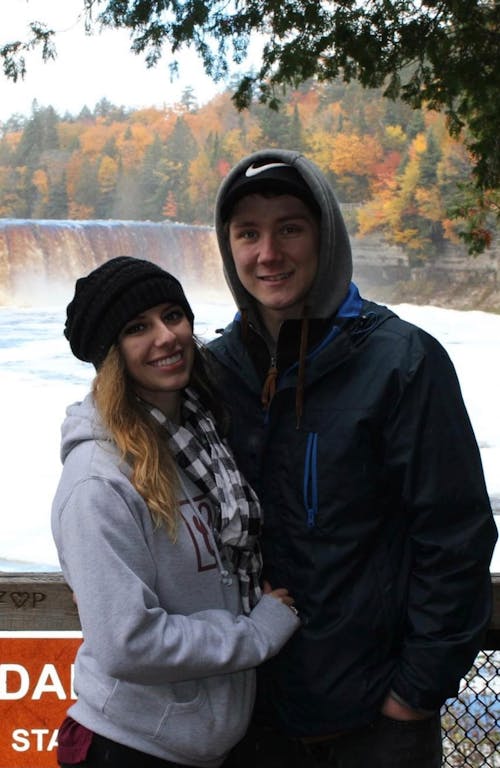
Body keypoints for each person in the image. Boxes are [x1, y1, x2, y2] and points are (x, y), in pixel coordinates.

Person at [208, 149, 498, 768]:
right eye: (248, 234)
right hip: (247, 721)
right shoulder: (213, 373)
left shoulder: (400, 363)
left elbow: (455, 538)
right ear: (229, 248)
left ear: (326, 236)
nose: (268, 253)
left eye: (290, 228)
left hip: (373, 724)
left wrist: (413, 696)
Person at [51, 256, 300, 768]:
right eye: (137, 328)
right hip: (130, 745)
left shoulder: (199, 441)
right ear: (110, 354)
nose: (166, 337)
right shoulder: (99, 482)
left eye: (172, 315)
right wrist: (256, 634)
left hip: (204, 741)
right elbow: (128, 643)